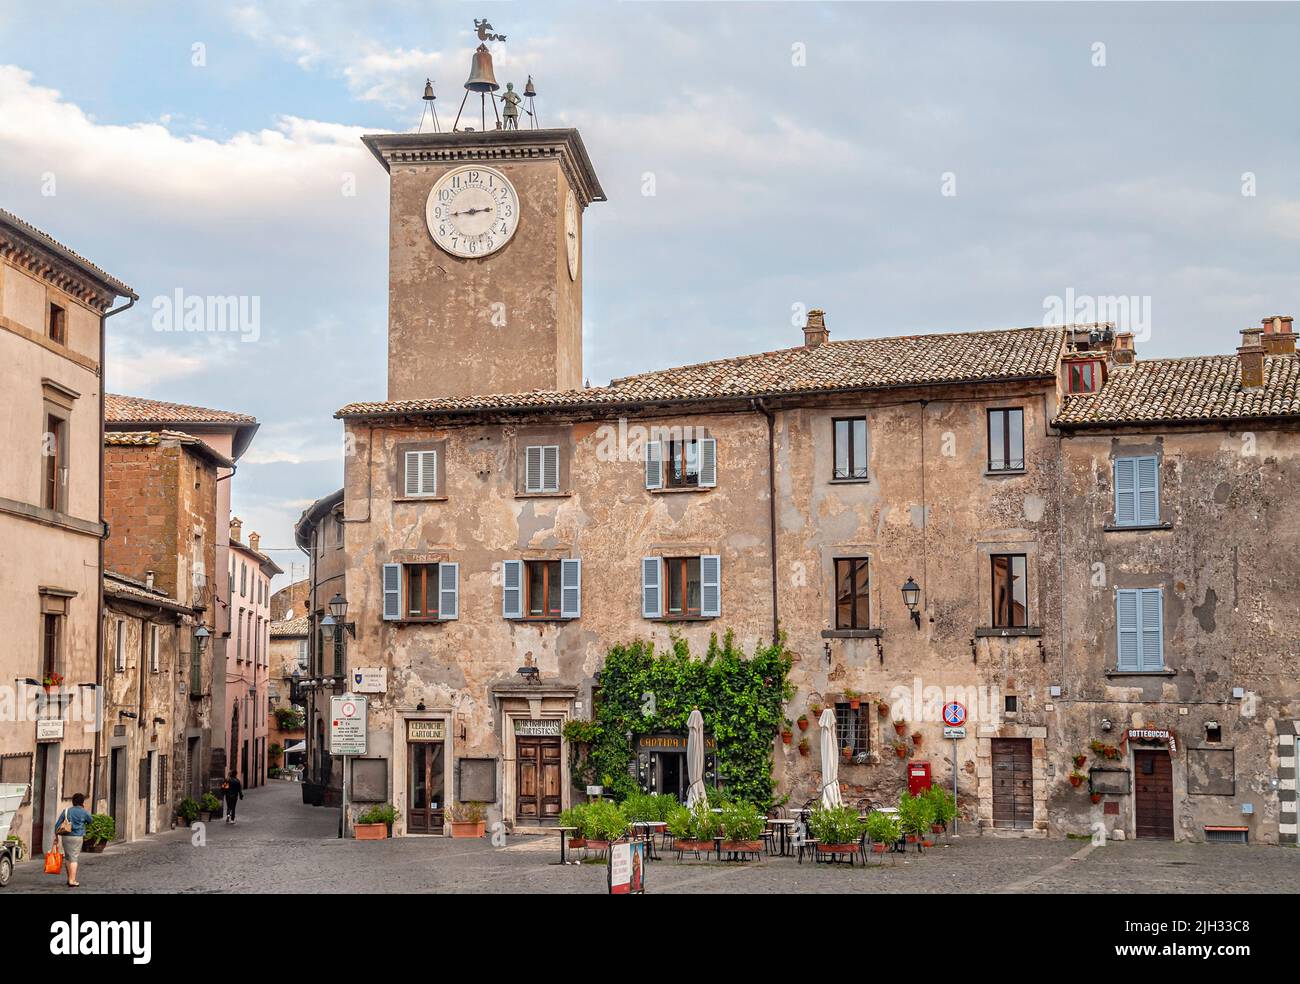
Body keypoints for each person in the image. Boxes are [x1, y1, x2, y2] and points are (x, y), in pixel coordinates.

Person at [53, 792, 92, 888]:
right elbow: (90, 820)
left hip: (66, 836)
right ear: (82, 802)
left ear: (73, 801)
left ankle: (69, 878)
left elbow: (57, 825)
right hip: (77, 837)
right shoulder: (84, 811)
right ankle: (72, 880)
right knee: (74, 858)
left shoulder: (66, 811)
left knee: (68, 857)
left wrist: (56, 836)